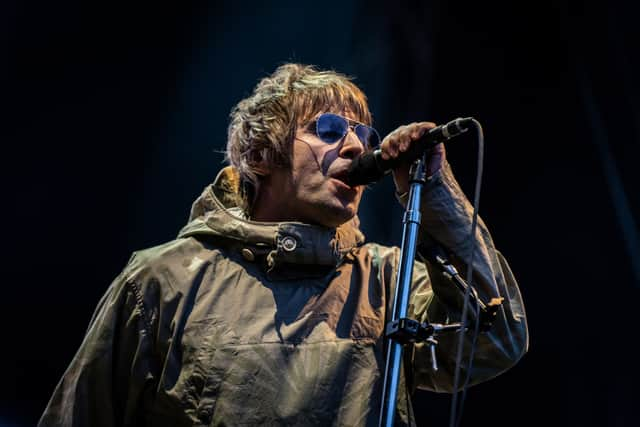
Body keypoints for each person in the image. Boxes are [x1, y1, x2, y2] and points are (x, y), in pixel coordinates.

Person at [39, 63, 528, 427]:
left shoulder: (386, 282)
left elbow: (497, 337)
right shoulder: (162, 281)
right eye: (330, 129)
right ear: (260, 154)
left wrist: (437, 190)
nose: (358, 147)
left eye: (364, 133)